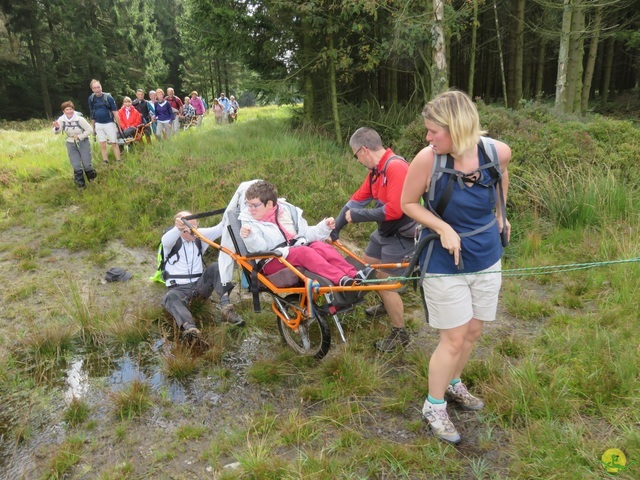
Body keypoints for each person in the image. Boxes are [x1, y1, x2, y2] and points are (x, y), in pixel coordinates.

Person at [401, 89, 511, 444]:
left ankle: (453, 384)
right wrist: (443, 227)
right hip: (442, 261)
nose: (428, 137)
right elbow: (407, 203)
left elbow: (501, 178)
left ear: (458, 128)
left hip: (486, 254)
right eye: (428, 131)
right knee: (451, 338)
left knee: (473, 331)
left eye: (434, 131)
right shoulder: (427, 159)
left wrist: (501, 214)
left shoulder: (496, 152)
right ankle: (434, 406)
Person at [332, 127, 417, 352]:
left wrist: (361, 216)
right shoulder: (376, 172)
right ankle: (385, 304)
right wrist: (335, 229)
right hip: (384, 233)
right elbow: (354, 203)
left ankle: (400, 333)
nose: (357, 160)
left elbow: (395, 210)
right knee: (367, 265)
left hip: (401, 234)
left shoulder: (396, 167)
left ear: (364, 150)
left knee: (385, 282)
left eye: (355, 155)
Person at [239, 181, 373, 287]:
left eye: (254, 205)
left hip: (293, 252)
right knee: (303, 252)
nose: (250, 209)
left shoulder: (287, 211)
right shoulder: (249, 222)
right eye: (248, 204)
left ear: (269, 204)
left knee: (320, 246)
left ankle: (354, 274)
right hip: (271, 260)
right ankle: (341, 279)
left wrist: (324, 226)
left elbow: (306, 234)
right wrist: (250, 236)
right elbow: (258, 248)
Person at [162, 211, 246, 338]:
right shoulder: (171, 241)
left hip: (199, 287)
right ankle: (190, 329)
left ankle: (226, 309)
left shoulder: (199, 236)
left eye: (195, 226)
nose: (193, 231)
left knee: (216, 267)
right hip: (178, 290)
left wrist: (234, 208)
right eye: (188, 227)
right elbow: (166, 240)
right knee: (170, 296)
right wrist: (178, 227)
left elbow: (221, 227)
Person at [52, 101, 96, 188]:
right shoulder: (61, 119)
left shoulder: (80, 119)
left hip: (83, 142)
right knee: (76, 165)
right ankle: (81, 186)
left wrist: (80, 136)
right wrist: (56, 127)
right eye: (67, 109)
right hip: (70, 143)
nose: (69, 111)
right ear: (63, 111)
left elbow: (90, 130)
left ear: (73, 109)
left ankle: (93, 181)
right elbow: (57, 131)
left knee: (87, 164)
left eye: (71, 109)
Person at [88, 79, 121, 165]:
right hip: (98, 124)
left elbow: (115, 112)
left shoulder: (108, 98)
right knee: (102, 144)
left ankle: (118, 160)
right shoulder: (91, 99)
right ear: (92, 89)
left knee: (114, 142)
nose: (97, 89)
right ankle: (105, 161)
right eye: (95, 88)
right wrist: (93, 127)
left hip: (109, 123)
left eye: (98, 87)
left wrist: (118, 126)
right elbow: (92, 113)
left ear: (101, 87)